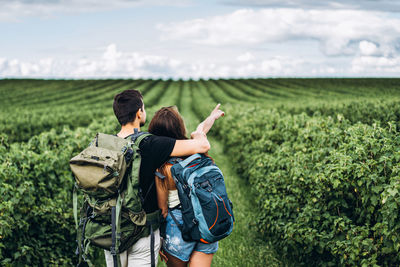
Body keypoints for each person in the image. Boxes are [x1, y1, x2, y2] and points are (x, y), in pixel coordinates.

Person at [104, 89, 223, 267]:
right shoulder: (152, 144)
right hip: (144, 229)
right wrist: (205, 124)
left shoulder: (107, 145)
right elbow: (201, 142)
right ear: (139, 112)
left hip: (112, 226)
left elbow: (163, 207)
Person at [149, 105, 224, 267]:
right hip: (206, 218)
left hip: (178, 226)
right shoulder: (195, 151)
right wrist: (212, 117)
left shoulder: (162, 169)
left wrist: (160, 239)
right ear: (179, 127)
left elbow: (163, 209)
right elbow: (200, 131)